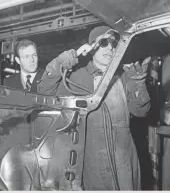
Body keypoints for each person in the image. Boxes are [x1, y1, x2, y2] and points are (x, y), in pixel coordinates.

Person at [38, 26, 151, 190]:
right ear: (91, 48)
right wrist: (70, 57)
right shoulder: (76, 78)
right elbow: (44, 91)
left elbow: (141, 112)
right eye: (104, 42)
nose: (110, 47)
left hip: (124, 158)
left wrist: (138, 85)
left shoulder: (125, 76)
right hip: (90, 159)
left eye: (114, 43)